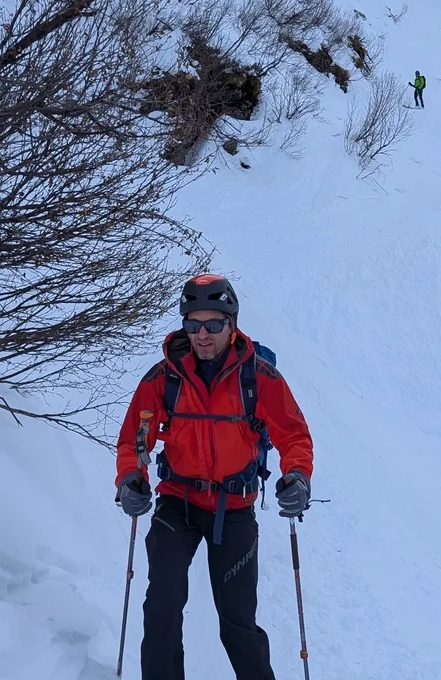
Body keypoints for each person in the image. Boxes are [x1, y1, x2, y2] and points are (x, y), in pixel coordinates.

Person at [115, 273, 315, 680]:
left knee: (238, 622)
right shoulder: (164, 377)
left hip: (235, 506)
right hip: (177, 503)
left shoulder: (259, 377)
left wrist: (297, 476)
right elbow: (135, 438)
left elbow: (293, 434)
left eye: (213, 324)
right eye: (193, 325)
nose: (202, 335)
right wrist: (130, 479)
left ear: (232, 323)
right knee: (161, 607)